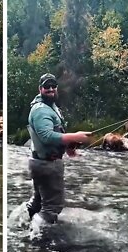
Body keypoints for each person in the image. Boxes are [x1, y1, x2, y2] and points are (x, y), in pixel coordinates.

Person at [26, 73, 92, 227]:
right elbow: (47, 136)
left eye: (53, 86)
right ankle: (38, 236)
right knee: (53, 207)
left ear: (56, 88)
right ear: (40, 89)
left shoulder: (51, 107)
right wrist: (74, 136)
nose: (50, 89)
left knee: (39, 199)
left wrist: (69, 148)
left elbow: (58, 132)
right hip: (47, 164)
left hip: (40, 162)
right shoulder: (41, 110)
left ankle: (27, 223)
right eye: (46, 87)